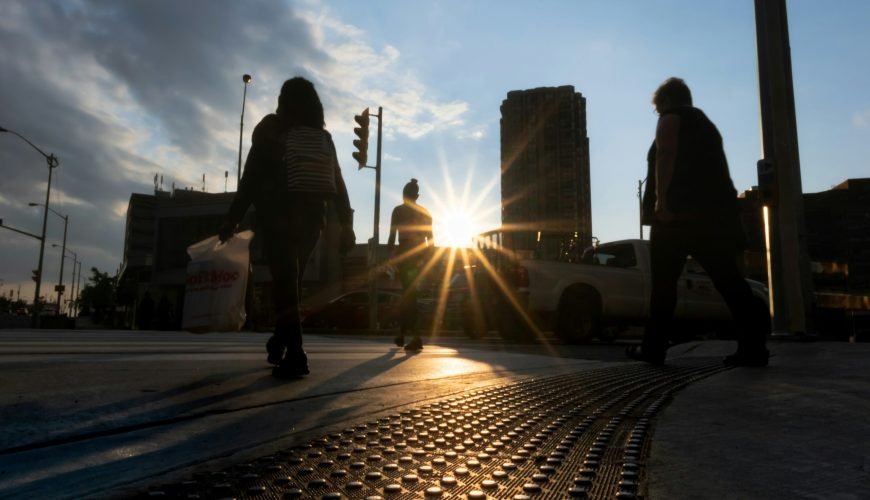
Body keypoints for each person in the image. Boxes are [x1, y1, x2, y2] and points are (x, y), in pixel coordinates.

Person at [219, 76, 355, 378]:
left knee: (286, 284)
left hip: (279, 216)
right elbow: (339, 183)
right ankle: (280, 341)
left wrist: (233, 217)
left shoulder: (271, 128)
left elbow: (251, 176)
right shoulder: (323, 137)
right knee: (290, 285)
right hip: (312, 223)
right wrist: (346, 223)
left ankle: (296, 354)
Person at [630, 77, 770, 367]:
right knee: (730, 282)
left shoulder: (672, 118)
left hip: (676, 217)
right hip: (714, 218)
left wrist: (662, 203)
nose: (659, 114)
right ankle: (753, 346)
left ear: (666, 101)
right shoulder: (706, 126)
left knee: (664, 286)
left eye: (658, 109)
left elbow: (666, 154)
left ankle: (654, 349)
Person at [387, 178, 433, 351]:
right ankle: (402, 334)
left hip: (406, 255)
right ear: (417, 196)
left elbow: (392, 237)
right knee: (409, 295)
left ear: (404, 195)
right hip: (420, 256)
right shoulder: (426, 212)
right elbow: (431, 241)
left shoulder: (398, 211)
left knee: (409, 296)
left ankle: (414, 335)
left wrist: (389, 258)